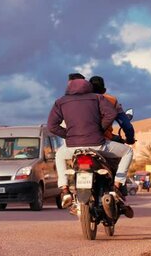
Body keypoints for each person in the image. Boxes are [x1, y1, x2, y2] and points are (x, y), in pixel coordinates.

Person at [47, 74, 134, 217]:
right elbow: (111, 114)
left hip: (72, 146)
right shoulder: (98, 98)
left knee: (59, 155)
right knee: (128, 152)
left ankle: (64, 190)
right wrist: (99, 129)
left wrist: (68, 135)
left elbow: (52, 126)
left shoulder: (61, 102)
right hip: (97, 144)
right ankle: (117, 185)